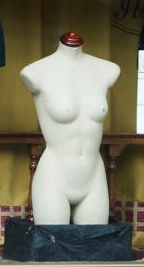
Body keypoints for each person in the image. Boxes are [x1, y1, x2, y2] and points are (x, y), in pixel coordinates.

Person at [19, 32, 120, 225]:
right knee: (51, 249)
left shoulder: (107, 70)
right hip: (55, 175)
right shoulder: (36, 72)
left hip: (93, 175)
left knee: (94, 249)